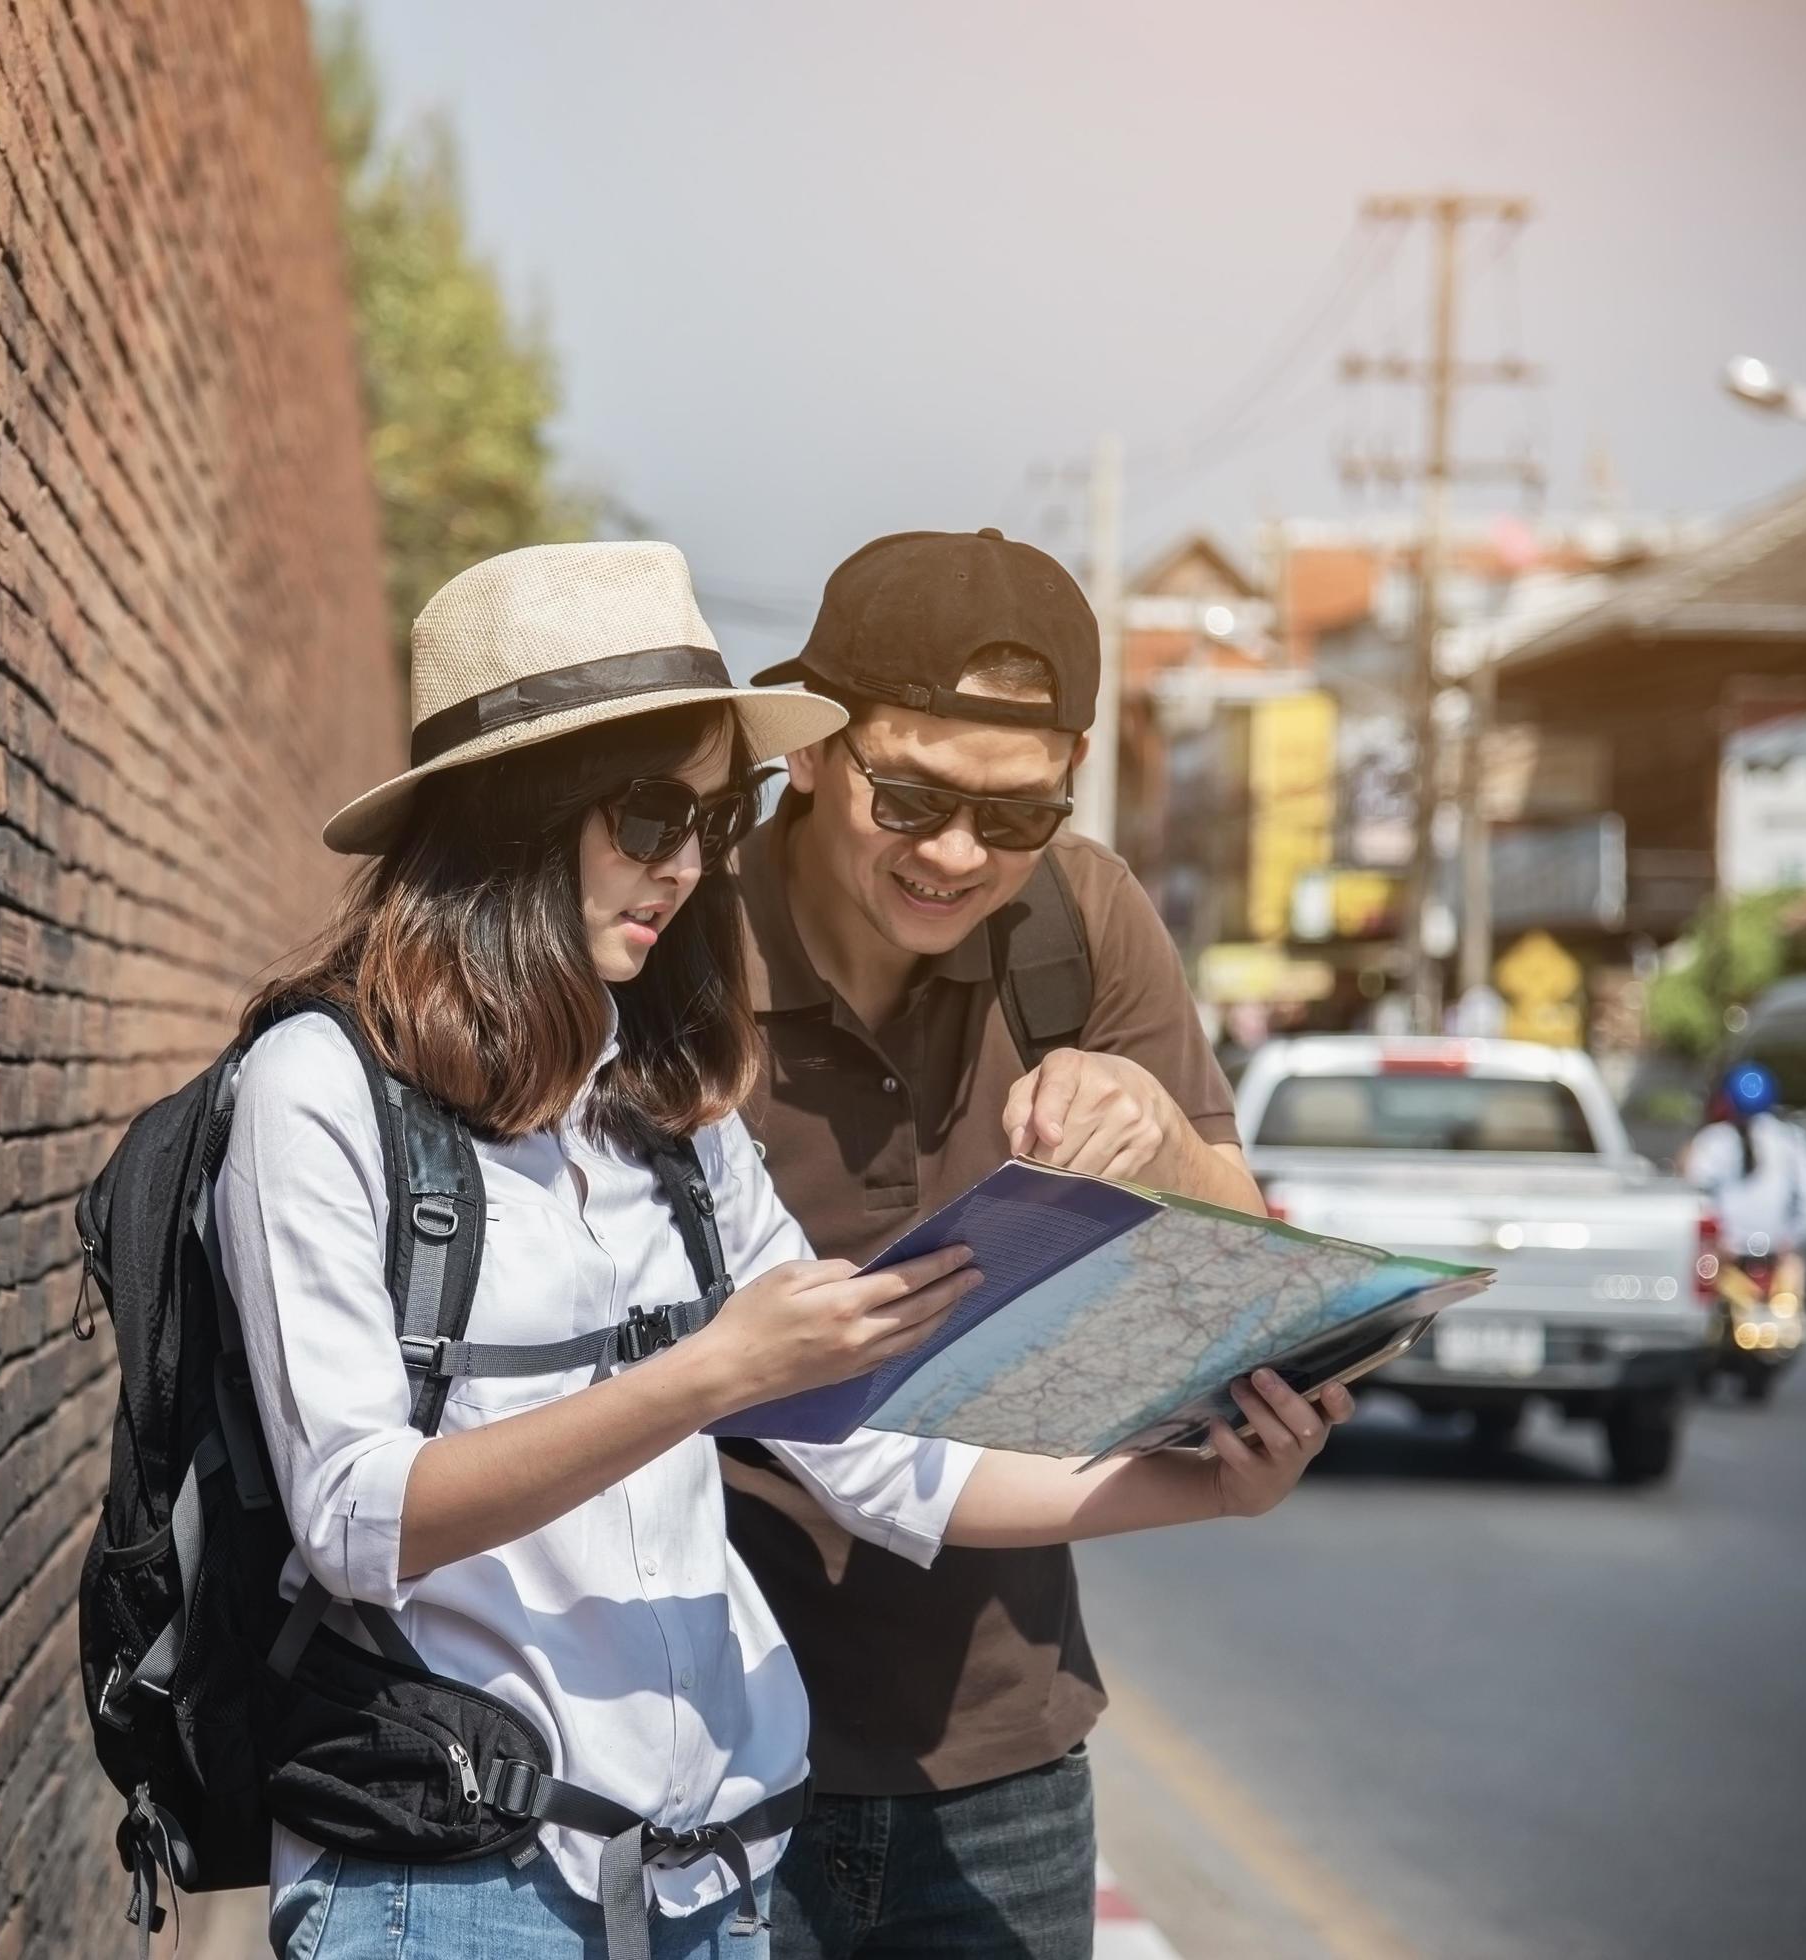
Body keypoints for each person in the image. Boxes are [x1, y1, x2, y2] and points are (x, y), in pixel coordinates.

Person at [228, 541, 1350, 1959]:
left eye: (709, 818)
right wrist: (707, 1380)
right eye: (653, 818)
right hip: (458, 1868)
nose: (693, 866)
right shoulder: (323, 1087)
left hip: (710, 1866)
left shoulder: (665, 1092)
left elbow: (879, 1445)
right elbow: (353, 1521)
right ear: (515, 810)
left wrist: (1212, 1492)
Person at [720, 528, 1298, 1960]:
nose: (959, 854)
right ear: (811, 749)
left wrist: (1158, 1128)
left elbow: (1247, 1257)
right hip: (699, 1747)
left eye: (1018, 813)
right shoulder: (688, 941)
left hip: (999, 1753)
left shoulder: (1081, 920)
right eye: (910, 797)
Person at [1682, 1061, 1806, 1301]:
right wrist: (1791, 1239)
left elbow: (1694, 1198)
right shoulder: (1791, 1139)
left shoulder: (1712, 1142)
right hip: (1774, 1252)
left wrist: (1718, 1241)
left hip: (1729, 1255)